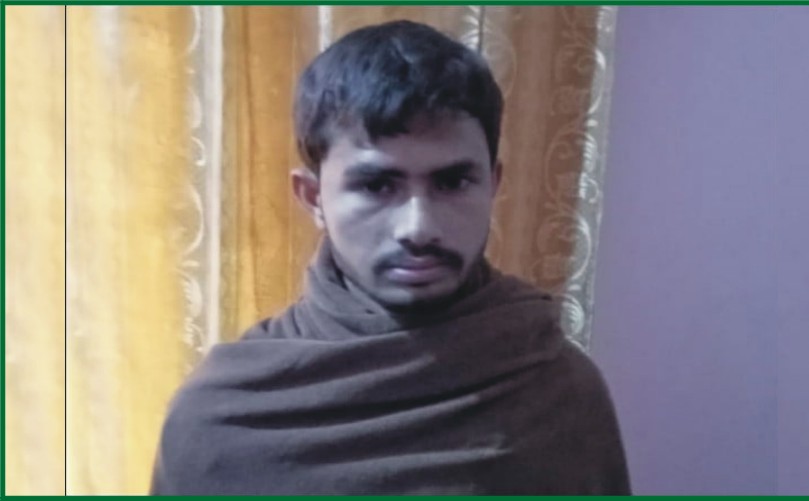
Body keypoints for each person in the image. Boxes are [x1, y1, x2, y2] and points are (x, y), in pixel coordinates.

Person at [151, 19, 630, 495]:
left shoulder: (558, 390)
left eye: (453, 182)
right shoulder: (220, 421)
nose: (418, 228)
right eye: (377, 185)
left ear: (493, 184)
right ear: (313, 197)